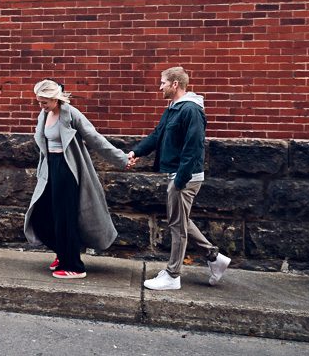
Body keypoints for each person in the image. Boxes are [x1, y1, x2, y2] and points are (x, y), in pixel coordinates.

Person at [126, 66, 230, 290]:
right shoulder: (173, 108)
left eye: (163, 82)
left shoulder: (191, 110)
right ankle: (215, 257)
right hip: (178, 174)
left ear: (175, 84)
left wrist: (181, 180)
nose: (159, 86)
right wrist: (136, 152)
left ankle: (173, 275)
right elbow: (157, 135)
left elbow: (193, 148)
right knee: (180, 221)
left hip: (186, 176)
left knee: (177, 226)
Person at [24, 79, 130, 279]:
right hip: (50, 169)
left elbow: (95, 138)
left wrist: (122, 159)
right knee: (41, 215)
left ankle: (74, 266)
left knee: (65, 217)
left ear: (55, 99)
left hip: (67, 169)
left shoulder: (70, 114)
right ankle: (63, 253)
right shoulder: (44, 113)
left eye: (44, 102)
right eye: (39, 102)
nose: (41, 106)